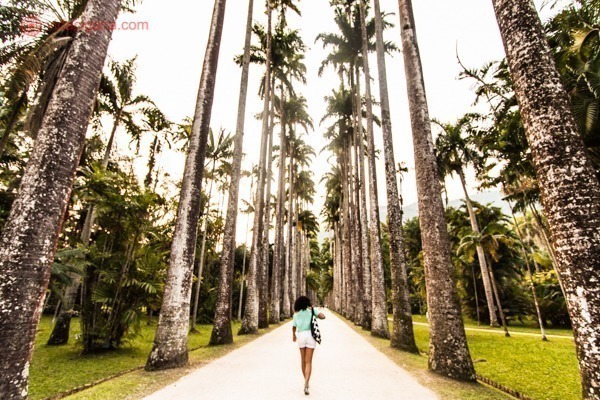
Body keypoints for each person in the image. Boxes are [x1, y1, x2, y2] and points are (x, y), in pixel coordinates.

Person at [292, 295, 325, 395]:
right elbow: (323, 316)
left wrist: (294, 336)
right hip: (310, 335)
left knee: (303, 360)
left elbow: (294, 327)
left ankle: (306, 382)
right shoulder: (311, 310)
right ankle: (306, 383)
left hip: (301, 336)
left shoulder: (296, 314)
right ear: (307, 303)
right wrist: (315, 311)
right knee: (308, 362)